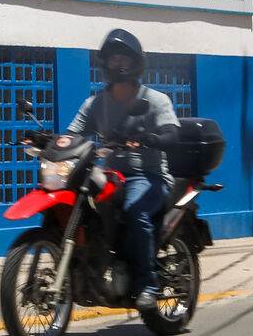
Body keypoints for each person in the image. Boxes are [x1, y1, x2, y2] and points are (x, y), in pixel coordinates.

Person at [65, 28, 179, 312]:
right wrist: (50, 141)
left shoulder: (155, 100)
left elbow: (171, 134)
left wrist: (152, 138)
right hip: (112, 174)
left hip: (148, 176)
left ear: (136, 62)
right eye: (113, 58)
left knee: (135, 211)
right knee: (78, 201)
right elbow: (73, 133)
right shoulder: (96, 103)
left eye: (124, 58)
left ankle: (148, 285)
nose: (118, 63)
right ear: (105, 64)